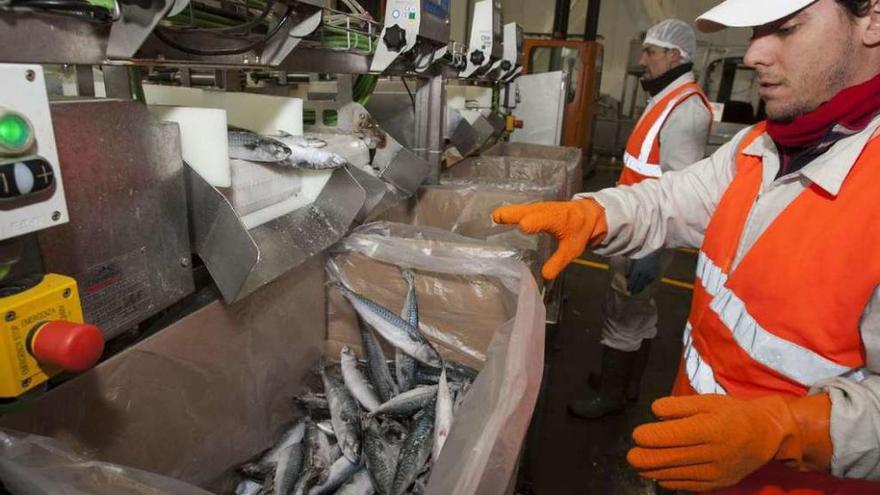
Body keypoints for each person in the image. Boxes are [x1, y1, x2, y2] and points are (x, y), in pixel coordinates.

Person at [493, 0, 880, 492]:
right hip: (689, 453)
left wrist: (787, 432)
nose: (755, 52)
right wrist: (593, 213)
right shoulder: (759, 145)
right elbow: (673, 197)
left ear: (872, 20)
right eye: (757, 31)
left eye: (786, 28)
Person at [569, 19, 713, 419]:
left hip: (645, 235)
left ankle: (611, 396)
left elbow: (679, 190)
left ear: (674, 56)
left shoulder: (685, 111)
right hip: (637, 225)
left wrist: (654, 250)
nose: (642, 59)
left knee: (624, 308)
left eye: (650, 51)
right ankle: (628, 383)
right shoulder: (668, 95)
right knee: (641, 310)